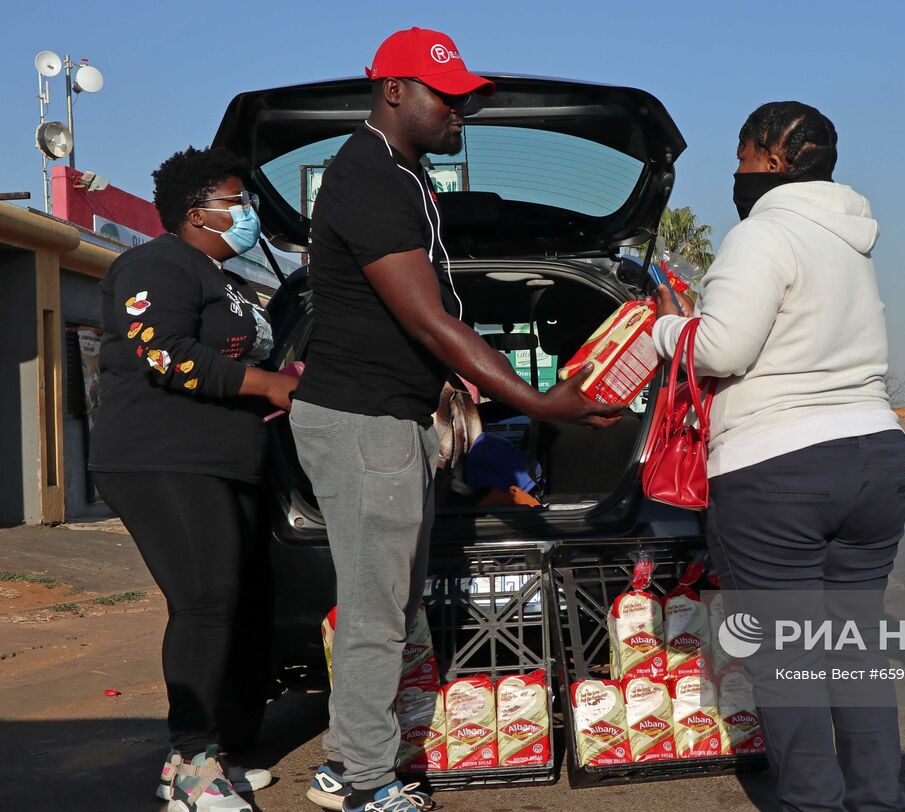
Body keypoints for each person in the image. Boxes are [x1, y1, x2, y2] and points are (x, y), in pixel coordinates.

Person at [290, 27, 622, 812]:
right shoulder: (367, 177)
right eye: (448, 97)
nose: (459, 114)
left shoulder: (402, 177)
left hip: (389, 418)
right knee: (376, 611)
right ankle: (362, 783)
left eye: (466, 100)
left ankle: (364, 760)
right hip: (361, 419)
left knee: (394, 606)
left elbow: (433, 327)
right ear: (394, 90)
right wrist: (540, 403)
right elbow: (433, 322)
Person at [652, 101, 905, 812]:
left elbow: (722, 348)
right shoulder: (851, 241)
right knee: (857, 655)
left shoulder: (762, 233)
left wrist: (663, 335)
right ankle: (879, 802)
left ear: (769, 154)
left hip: (779, 469)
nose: (735, 173)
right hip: (874, 459)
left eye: (740, 157)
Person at [89, 146, 298, 811]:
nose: (247, 214)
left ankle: (217, 755)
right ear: (196, 211)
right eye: (237, 202)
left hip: (223, 461)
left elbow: (227, 363)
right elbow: (163, 352)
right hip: (161, 458)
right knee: (205, 599)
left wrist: (280, 383)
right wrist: (268, 382)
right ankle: (190, 765)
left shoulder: (224, 277)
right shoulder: (156, 265)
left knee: (234, 601)